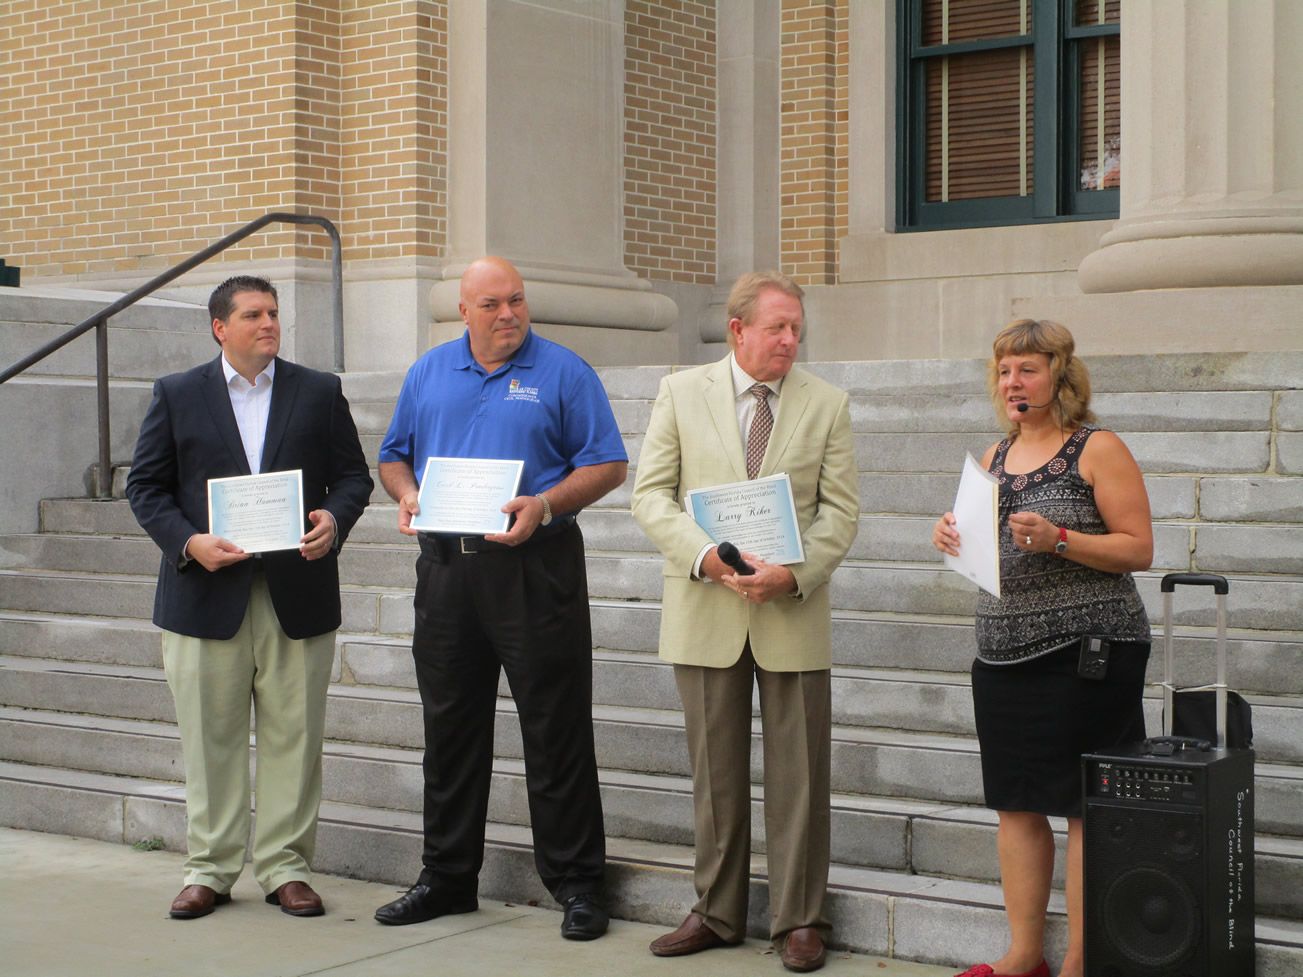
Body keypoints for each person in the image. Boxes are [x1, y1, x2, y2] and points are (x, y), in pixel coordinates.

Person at [372, 256, 627, 941]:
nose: (508, 313)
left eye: (515, 300)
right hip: (447, 573)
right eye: (491, 304)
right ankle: (447, 877)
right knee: (449, 729)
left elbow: (606, 462)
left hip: (533, 568)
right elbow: (392, 454)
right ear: (463, 312)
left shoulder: (564, 370)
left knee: (555, 727)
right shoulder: (428, 372)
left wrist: (544, 503)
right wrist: (406, 494)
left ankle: (577, 883)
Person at [631, 271, 860, 973]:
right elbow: (650, 496)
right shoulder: (679, 392)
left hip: (790, 609)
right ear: (737, 330)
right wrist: (705, 558)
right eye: (776, 328)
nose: (790, 340)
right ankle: (717, 910)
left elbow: (840, 511)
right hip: (706, 607)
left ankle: (799, 919)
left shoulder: (826, 402)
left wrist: (792, 573)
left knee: (800, 777)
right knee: (715, 774)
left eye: (796, 328)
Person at [125, 275, 373, 920]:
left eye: (273, 313)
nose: (268, 324)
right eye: (253, 315)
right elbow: (146, 487)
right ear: (220, 327)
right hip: (206, 595)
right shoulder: (178, 395)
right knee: (211, 741)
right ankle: (209, 868)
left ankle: (286, 867)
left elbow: (352, 476)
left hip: (298, 592)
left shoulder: (317, 391)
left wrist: (333, 520)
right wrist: (188, 542)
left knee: (296, 737)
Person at [931, 319, 1153, 977]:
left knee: (1084, 807)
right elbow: (984, 551)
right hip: (1002, 657)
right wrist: (951, 535)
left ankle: (1081, 961)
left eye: (1025, 369)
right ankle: (1023, 954)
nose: (1011, 382)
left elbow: (1137, 547)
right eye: (1003, 370)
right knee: (1016, 803)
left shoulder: (1095, 447)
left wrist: (1059, 537)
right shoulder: (993, 457)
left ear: (1057, 374)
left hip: (1087, 654)